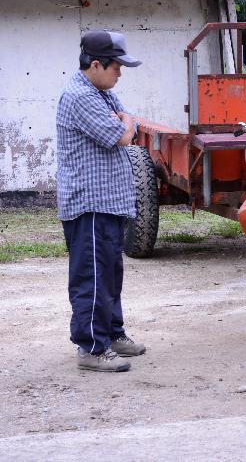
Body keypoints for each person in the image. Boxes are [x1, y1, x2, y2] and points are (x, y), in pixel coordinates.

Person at [56, 30, 147, 372]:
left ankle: (112, 334)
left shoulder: (102, 93)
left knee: (110, 274)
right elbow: (124, 134)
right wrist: (126, 125)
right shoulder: (81, 97)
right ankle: (91, 348)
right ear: (95, 65)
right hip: (89, 204)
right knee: (92, 277)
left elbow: (127, 119)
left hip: (108, 201)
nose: (120, 73)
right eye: (116, 67)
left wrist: (126, 123)